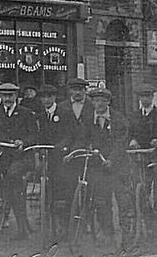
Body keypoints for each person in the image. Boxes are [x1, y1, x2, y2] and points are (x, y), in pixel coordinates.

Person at [0, 83, 39, 239]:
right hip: (4, 157)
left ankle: (22, 228)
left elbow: (34, 135)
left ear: (16, 97)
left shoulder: (26, 114)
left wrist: (23, 142)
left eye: (10, 96)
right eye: (4, 96)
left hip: (23, 157)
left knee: (13, 178)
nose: (7, 99)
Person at [84, 88, 131, 244]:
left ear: (108, 102)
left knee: (122, 200)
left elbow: (121, 142)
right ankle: (108, 232)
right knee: (101, 201)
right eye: (96, 101)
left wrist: (112, 159)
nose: (99, 104)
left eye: (102, 101)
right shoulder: (88, 119)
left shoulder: (119, 119)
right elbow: (83, 137)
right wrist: (87, 147)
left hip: (118, 166)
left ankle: (126, 235)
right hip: (98, 167)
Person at [36, 84, 76, 217]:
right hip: (48, 155)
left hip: (62, 155)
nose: (46, 100)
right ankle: (48, 211)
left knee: (62, 182)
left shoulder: (65, 113)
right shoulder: (40, 116)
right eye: (44, 97)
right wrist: (40, 149)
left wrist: (61, 145)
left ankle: (64, 214)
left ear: (54, 97)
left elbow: (71, 134)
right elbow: (40, 135)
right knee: (46, 181)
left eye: (49, 97)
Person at [129, 84, 157, 150]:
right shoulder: (133, 116)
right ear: (139, 98)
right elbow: (129, 132)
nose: (145, 99)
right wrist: (132, 140)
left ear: (152, 97)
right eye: (142, 96)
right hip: (138, 151)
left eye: (147, 96)